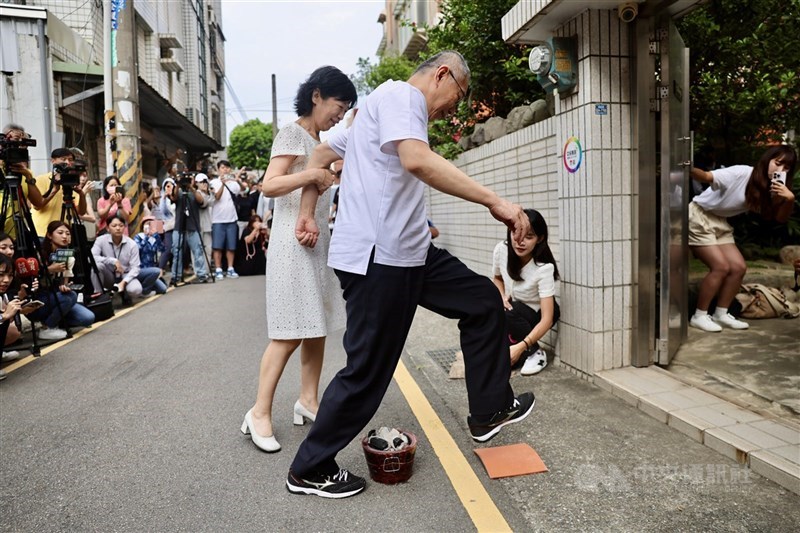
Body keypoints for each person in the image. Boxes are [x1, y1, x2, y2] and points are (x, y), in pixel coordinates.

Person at [288, 51, 532, 498]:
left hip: (412, 252)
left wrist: (308, 212)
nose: (448, 112)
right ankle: (310, 467)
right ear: (442, 74)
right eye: (454, 100)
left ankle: (489, 410)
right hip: (380, 259)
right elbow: (417, 161)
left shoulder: (371, 111)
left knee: (481, 301)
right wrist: (494, 201)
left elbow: (322, 151)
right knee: (368, 371)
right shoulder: (402, 96)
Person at [240, 66, 355, 455]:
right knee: (288, 332)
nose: (339, 115)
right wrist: (311, 176)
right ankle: (259, 412)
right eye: (338, 106)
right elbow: (269, 185)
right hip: (291, 243)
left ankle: (308, 400)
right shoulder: (292, 133)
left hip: (316, 243)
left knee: (316, 326)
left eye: (345, 110)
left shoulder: (321, 141)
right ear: (317, 95)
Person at [688, 145, 796, 332]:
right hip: (699, 215)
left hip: (720, 221)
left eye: (786, 168)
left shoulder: (772, 188)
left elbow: (779, 218)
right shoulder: (742, 173)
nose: (780, 171)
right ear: (767, 160)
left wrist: (789, 199)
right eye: (777, 164)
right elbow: (706, 177)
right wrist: (683, 167)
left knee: (738, 268)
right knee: (721, 267)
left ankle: (721, 314)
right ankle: (699, 316)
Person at [492, 208, 560, 376]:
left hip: (537, 314)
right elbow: (497, 278)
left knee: (506, 313)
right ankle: (517, 347)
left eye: (529, 237)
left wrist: (522, 346)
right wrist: (501, 296)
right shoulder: (501, 249)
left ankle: (535, 352)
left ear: (540, 239)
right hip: (514, 309)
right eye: (516, 233)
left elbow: (547, 319)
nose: (520, 241)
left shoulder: (543, 268)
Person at [28, 221, 95, 339]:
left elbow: (64, 282)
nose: (65, 236)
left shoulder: (68, 256)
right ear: (49, 235)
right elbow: (31, 279)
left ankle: (55, 319)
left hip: (57, 297)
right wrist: (49, 270)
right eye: (60, 233)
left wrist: (65, 287)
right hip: (40, 298)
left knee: (88, 318)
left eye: (68, 233)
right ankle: (46, 327)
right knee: (71, 297)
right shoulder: (39, 253)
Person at [92, 214, 166, 301]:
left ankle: (127, 292)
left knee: (137, 290)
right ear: (108, 228)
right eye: (114, 226)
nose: (118, 228)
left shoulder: (131, 243)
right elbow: (92, 257)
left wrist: (124, 282)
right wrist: (112, 261)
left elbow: (135, 267)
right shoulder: (101, 240)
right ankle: (99, 297)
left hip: (127, 274)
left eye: (121, 225)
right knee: (97, 266)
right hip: (110, 275)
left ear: (124, 227)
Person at [30, 148, 88, 237]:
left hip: (63, 234)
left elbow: (81, 212)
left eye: (70, 160)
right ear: (53, 161)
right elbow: (37, 206)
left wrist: (81, 194)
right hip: (42, 233)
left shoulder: (72, 181)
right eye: (63, 159)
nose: (67, 162)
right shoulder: (41, 179)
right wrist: (54, 190)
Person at [169, 175, 209, 284]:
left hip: (193, 226)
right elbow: (174, 197)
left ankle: (201, 274)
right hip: (179, 226)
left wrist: (191, 188)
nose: (186, 182)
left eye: (189, 179)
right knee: (176, 251)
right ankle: (176, 276)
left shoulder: (196, 192)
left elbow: (201, 201)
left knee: (198, 251)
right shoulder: (179, 191)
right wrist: (177, 184)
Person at [210, 160, 242, 279]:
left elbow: (243, 191)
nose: (225, 170)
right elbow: (216, 197)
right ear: (218, 169)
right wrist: (223, 184)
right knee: (217, 246)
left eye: (227, 168)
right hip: (218, 219)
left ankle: (230, 268)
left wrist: (237, 179)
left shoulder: (234, 184)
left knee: (231, 246)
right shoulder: (213, 182)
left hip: (232, 219)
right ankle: (218, 269)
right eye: (223, 167)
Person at [133, 216, 167, 294]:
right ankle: (144, 291)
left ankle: (147, 286)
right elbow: (138, 249)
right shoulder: (138, 237)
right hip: (140, 269)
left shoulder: (154, 238)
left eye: (151, 223)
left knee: (163, 289)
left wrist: (156, 236)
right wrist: (146, 237)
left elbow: (162, 249)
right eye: (147, 224)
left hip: (152, 270)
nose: (149, 226)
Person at [194, 173, 215, 272]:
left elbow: (212, 202)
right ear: (196, 183)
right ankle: (198, 271)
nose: (204, 184)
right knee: (197, 249)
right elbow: (203, 204)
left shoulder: (209, 193)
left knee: (208, 249)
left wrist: (210, 192)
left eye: (205, 182)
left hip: (207, 224)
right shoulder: (196, 193)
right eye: (201, 182)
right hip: (197, 224)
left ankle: (206, 270)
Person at [156, 178, 176, 272]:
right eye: (166, 186)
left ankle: (176, 269)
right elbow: (163, 211)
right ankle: (160, 269)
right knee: (168, 248)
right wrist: (164, 198)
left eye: (170, 185)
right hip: (168, 227)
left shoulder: (178, 196)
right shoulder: (164, 199)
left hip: (179, 226)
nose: (168, 188)